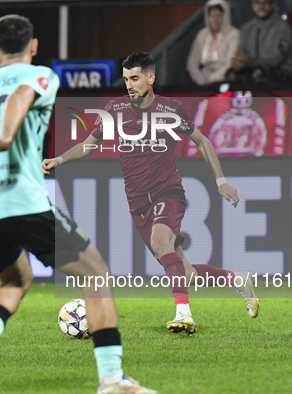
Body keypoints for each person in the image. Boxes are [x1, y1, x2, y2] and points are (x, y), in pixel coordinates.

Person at [0, 15, 156, 394]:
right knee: (95, 275)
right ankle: (112, 380)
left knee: (14, 279)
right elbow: (20, 96)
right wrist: (6, 136)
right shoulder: (39, 75)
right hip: (22, 200)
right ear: (34, 46)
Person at [43, 52, 260, 335]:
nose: (129, 85)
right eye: (126, 79)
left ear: (151, 77)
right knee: (187, 273)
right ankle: (238, 280)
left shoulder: (171, 110)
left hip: (168, 192)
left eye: (135, 78)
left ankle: (184, 314)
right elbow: (89, 144)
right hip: (137, 203)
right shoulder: (114, 109)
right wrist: (59, 160)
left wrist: (221, 181)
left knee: (161, 243)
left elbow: (203, 141)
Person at [229, 0, 292, 83]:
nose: (261, 7)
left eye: (266, 3)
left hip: (280, 74)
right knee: (231, 75)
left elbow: (275, 60)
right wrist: (239, 62)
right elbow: (241, 54)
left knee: (262, 78)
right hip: (252, 72)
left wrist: (248, 61)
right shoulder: (246, 29)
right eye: (257, 3)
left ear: (273, 5)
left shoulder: (284, 29)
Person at [187, 0, 239, 86]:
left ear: (225, 16)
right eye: (212, 16)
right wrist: (201, 81)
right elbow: (192, 63)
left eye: (219, 16)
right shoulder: (202, 35)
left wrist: (214, 80)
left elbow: (230, 62)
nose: (215, 20)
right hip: (204, 80)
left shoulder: (234, 34)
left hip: (225, 80)